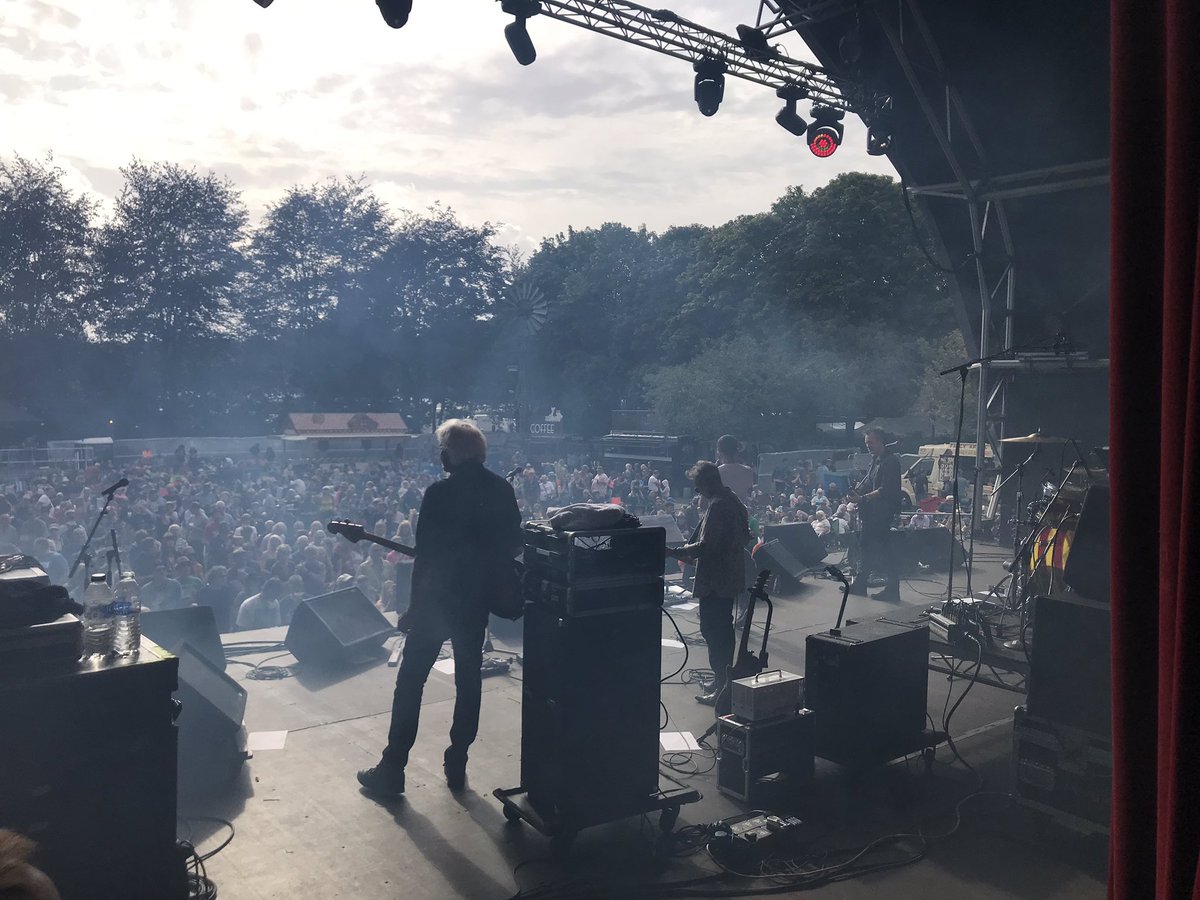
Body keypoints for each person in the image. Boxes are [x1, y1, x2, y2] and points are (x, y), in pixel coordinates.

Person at [357, 419, 521, 798]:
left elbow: (425, 560)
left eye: (442, 449)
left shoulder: (438, 493)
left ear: (452, 452)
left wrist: (413, 608)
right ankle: (457, 759)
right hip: (476, 602)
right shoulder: (501, 489)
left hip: (438, 602)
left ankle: (393, 768)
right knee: (468, 681)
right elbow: (514, 545)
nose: (440, 456)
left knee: (411, 681)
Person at [668, 461, 750, 706]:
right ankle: (721, 680)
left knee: (714, 632)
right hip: (730, 575)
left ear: (706, 483)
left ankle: (722, 688)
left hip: (716, 579)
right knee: (723, 629)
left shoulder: (717, 506)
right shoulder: (733, 499)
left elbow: (706, 546)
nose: (698, 493)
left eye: (697, 487)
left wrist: (674, 552)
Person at [848, 427, 902, 602]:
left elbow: (886, 490)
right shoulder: (875, 460)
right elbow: (871, 483)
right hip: (871, 514)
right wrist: (858, 493)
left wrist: (862, 498)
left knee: (884, 551)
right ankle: (861, 584)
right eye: (866, 443)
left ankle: (892, 589)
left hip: (882, 514)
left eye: (870, 443)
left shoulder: (891, 462)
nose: (868, 446)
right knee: (866, 548)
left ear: (880, 441)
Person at [716, 434, 756, 500]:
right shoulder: (748, 471)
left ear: (719, 453)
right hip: (741, 509)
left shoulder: (715, 472)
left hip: (722, 509)